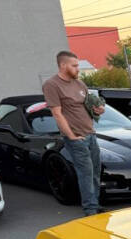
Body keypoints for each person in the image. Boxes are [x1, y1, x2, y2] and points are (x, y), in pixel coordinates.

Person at [42, 51, 105, 215]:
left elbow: (89, 107)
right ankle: (90, 209)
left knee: (95, 172)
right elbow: (57, 113)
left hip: (91, 134)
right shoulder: (52, 85)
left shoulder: (79, 84)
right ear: (63, 65)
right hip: (77, 138)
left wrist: (98, 110)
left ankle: (95, 204)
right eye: (74, 65)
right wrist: (71, 137)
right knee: (85, 173)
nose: (78, 69)